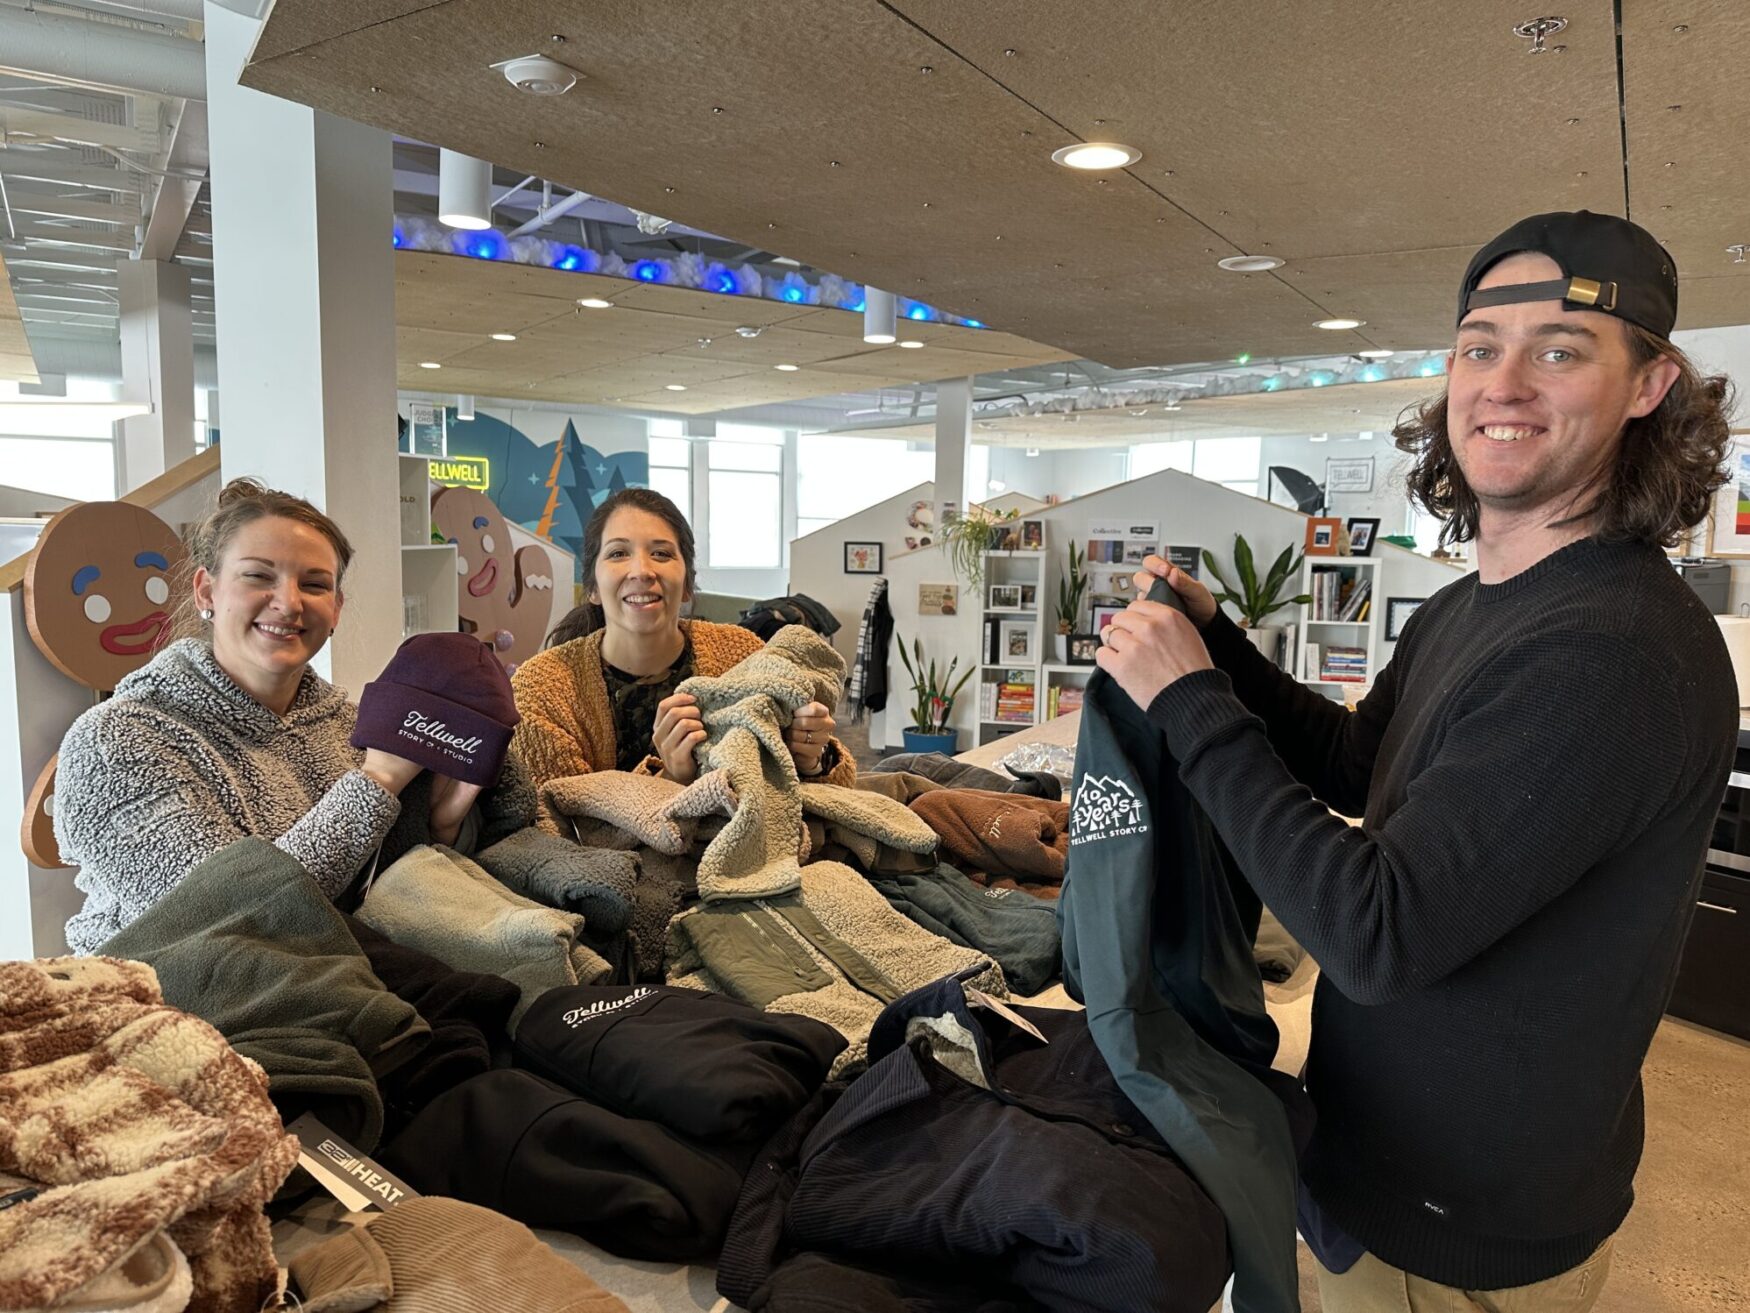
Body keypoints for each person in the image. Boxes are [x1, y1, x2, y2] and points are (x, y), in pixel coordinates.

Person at [1097, 211, 1736, 1312]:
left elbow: (1373, 930)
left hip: (1460, 1216)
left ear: (1648, 386)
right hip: (1379, 1157)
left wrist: (1192, 701)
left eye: (1560, 349)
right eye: (1479, 346)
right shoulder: (1470, 606)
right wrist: (1227, 653)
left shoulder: (1609, 651)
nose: (1504, 383)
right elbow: (1356, 764)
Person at [57, 479, 482, 954]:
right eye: (259, 576)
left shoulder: (351, 725)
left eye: (315, 584)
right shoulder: (115, 739)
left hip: (350, 988)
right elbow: (220, 919)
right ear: (206, 591)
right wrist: (379, 780)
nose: (289, 602)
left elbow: (386, 895)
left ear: (337, 608)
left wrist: (442, 825)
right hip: (173, 1005)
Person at [511, 488, 854, 798]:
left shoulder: (740, 655)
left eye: (661, 554)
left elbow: (822, 791)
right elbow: (554, 827)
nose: (642, 570)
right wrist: (671, 779)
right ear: (593, 587)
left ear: (687, 584)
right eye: (618, 553)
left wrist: (811, 759)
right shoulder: (543, 689)